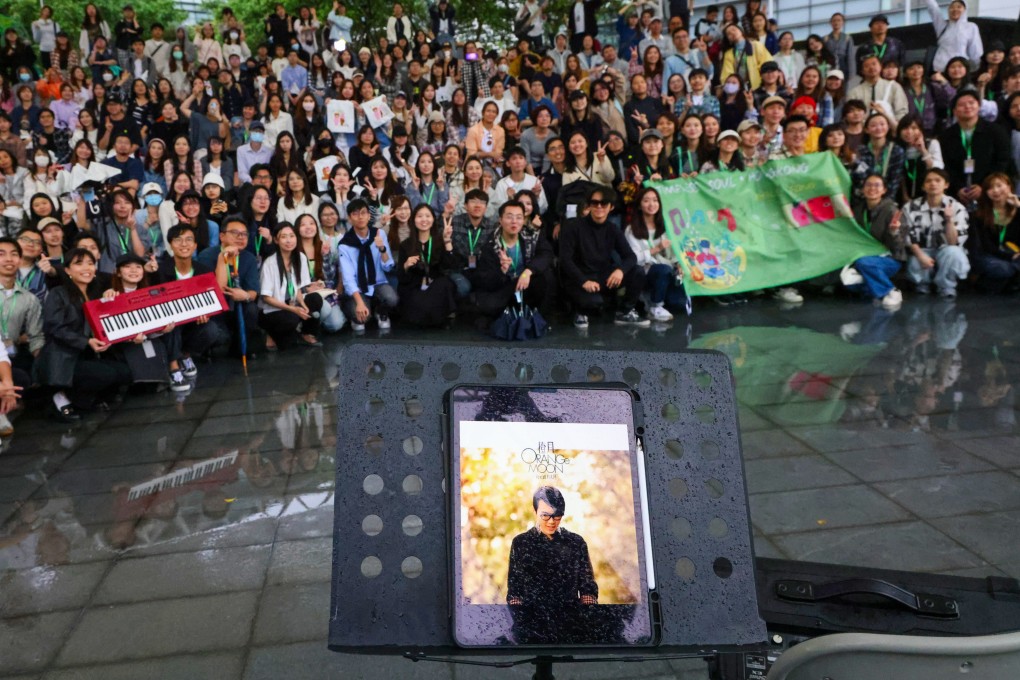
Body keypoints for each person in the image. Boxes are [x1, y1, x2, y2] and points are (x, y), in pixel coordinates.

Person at [38, 247, 132, 420]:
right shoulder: (57, 293)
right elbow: (55, 328)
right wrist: (86, 342)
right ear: (67, 270)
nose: (86, 268)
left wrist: (109, 302)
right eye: (79, 264)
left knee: (124, 372)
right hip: (64, 356)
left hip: (88, 355)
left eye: (90, 263)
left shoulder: (96, 293)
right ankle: (61, 396)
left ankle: (81, 400)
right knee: (107, 374)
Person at [506, 486, 598, 644]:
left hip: (569, 621)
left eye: (557, 516)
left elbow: (587, 584)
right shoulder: (521, 543)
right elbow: (515, 588)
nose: (551, 521)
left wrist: (587, 609)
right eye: (545, 515)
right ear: (535, 512)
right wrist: (520, 615)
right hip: (532, 622)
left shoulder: (576, 542)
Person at [559, 185, 648, 328]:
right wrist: (583, 281)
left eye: (604, 203)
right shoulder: (573, 227)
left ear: (611, 207)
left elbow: (630, 256)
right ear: (589, 205)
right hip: (578, 278)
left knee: (637, 271)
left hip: (602, 276)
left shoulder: (612, 229)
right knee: (594, 304)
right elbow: (565, 260)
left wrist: (620, 271)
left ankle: (625, 312)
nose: (599, 207)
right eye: (594, 203)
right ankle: (579, 311)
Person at [472, 198, 553, 318]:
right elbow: (485, 279)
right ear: (500, 220)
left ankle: (535, 316)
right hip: (504, 285)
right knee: (489, 306)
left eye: (519, 217)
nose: (514, 221)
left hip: (525, 282)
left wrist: (528, 272)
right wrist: (501, 271)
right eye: (509, 217)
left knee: (546, 278)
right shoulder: (489, 244)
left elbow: (546, 254)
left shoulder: (533, 235)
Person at [902, 168, 970, 297]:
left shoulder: (957, 207)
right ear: (923, 186)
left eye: (938, 180)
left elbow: (954, 242)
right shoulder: (910, 207)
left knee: (954, 253)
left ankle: (946, 286)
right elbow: (906, 235)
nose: (933, 184)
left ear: (946, 185)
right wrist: (920, 255)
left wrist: (949, 220)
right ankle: (922, 284)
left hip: (946, 250)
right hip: (922, 249)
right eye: (928, 181)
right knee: (916, 260)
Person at [938, 90, 1012, 207]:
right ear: (955, 111)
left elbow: (1002, 161)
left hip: (991, 191)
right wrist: (958, 187)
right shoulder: (946, 136)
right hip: (957, 194)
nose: (967, 106)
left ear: (979, 107)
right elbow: (946, 165)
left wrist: (985, 185)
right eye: (962, 105)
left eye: (971, 103)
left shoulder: (996, 131)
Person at [849, 174, 908, 310]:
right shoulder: (858, 211)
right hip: (865, 255)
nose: (872, 188)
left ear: (884, 190)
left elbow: (899, 247)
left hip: (890, 258)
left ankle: (891, 291)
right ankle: (874, 291)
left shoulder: (892, 211)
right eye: (868, 185)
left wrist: (893, 232)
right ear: (863, 189)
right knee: (849, 282)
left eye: (877, 185)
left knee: (863, 262)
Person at [338, 198, 397, 332]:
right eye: (355, 213)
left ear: (369, 216)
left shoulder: (379, 234)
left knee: (392, 299)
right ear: (349, 218)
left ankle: (380, 312)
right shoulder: (345, 244)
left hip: (378, 282)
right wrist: (359, 303)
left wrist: (382, 249)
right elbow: (348, 279)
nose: (360, 217)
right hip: (359, 287)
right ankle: (361, 310)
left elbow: (388, 266)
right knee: (361, 319)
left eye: (363, 213)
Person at [258, 222, 320, 349]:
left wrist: (302, 304)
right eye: (284, 237)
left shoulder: (300, 257)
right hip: (272, 310)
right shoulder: (270, 263)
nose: (289, 240)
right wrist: (292, 309)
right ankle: (270, 334)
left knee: (315, 299)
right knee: (289, 335)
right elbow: (266, 297)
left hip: (291, 303)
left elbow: (297, 287)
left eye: (292, 236)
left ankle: (304, 333)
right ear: (276, 240)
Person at [396, 205, 457, 327]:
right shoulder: (406, 245)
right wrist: (406, 266)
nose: (424, 220)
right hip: (415, 285)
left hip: (435, 285)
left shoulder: (440, 241)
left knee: (445, 283)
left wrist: (447, 241)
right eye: (420, 216)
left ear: (433, 219)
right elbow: (401, 278)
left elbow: (450, 265)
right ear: (413, 220)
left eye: (428, 216)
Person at [967, 172, 1020, 293]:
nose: (995, 191)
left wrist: (1019, 206)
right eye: (990, 188)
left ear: (1009, 187)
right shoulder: (979, 214)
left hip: (1015, 254)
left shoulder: (1018, 207)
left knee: (1008, 269)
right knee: (1003, 268)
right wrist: (1010, 256)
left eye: (999, 185)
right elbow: (985, 245)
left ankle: (1002, 284)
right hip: (989, 256)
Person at [926, 0, 982, 75]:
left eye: (959, 7)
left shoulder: (971, 27)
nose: (955, 9)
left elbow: (975, 51)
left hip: (960, 70)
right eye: (952, 7)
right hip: (941, 69)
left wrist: (974, 69)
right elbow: (933, 8)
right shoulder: (942, 26)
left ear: (965, 10)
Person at [848, 55, 908, 123]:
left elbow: (902, 112)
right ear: (862, 71)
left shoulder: (894, 87)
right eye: (867, 66)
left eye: (874, 64)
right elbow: (851, 114)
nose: (871, 67)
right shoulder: (854, 92)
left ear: (881, 66)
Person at [824, 13, 856, 84]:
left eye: (839, 20)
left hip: (843, 66)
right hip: (830, 66)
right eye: (834, 20)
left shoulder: (847, 38)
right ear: (830, 23)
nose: (836, 22)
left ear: (843, 22)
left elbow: (850, 56)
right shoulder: (826, 38)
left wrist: (851, 73)